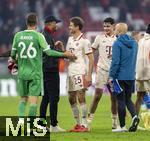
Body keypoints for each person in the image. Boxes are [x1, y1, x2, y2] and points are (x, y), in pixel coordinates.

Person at [10, 13, 75, 130]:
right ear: (36, 23)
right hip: (35, 73)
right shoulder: (39, 36)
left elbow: (13, 55)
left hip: (23, 73)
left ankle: (20, 124)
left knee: (23, 99)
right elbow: (49, 52)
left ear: (26, 23)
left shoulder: (17, 35)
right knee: (34, 101)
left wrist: (15, 62)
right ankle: (31, 127)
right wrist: (64, 54)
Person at [87, 17, 118, 130]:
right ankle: (88, 123)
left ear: (113, 26)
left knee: (114, 97)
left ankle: (114, 123)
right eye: (104, 26)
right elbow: (92, 51)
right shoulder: (99, 38)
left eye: (108, 26)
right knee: (97, 96)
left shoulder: (118, 39)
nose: (106, 28)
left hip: (114, 73)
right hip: (101, 70)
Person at [108, 23, 139, 132]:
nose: (114, 30)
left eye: (115, 29)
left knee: (120, 100)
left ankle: (122, 127)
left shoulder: (117, 43)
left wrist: (111, 75)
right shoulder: (135, 43)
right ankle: (135, 116)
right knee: (128, 99)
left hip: (119, 76)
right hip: (131, 76)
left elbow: (115, 62)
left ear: (119, 30)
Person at [66, 17, 94, 132]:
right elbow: (69, 55)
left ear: (77, 27)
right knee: (71, 99)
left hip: (80, 71)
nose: (69, 27)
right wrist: (62, 49)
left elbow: (91, 59)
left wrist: (89, 75)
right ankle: (78, 124)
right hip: (70, 71)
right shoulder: (69, 39)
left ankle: (85, 125)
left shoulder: (85, 41)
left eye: (71, 25)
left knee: (81, 97)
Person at [39, 15, 65, 132]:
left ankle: (42, 125)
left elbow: (49, 51)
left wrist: (56, 47)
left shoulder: (45, 35)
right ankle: (54, 125)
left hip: (45, 70)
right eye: (56, 23)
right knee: (54, 98)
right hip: (50, 70)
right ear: (50, 23)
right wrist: (64, 53)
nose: (57, 25)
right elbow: (49, 54)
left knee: (46, 98)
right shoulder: (46, 36)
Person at [135, 24, 150, 115]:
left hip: (139, 74)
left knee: (139, 98)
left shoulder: (140, 41)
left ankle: (134, 120)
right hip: (149, 72)